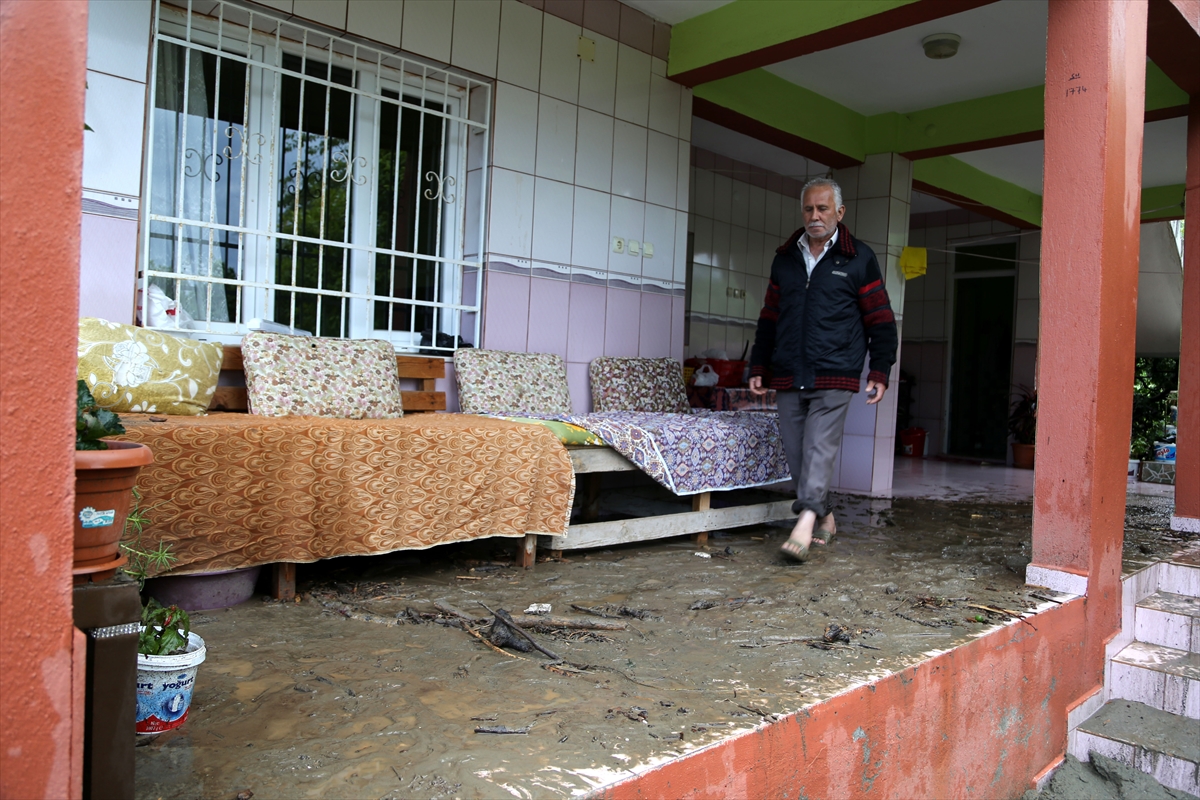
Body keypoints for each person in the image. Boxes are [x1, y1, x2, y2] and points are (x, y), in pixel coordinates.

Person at [748, 177, 898, 562]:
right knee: (798, 454)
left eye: (823, 208)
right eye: (809, 209)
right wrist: (759, 365)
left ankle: (803, 524)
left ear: (839, 212)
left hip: (836, 372)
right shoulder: (785, 259)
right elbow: (769, 317)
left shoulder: (859, 258)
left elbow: (881, 318)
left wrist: (879, 370)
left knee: (819, 446)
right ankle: (826, 517)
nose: (815, 215)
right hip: (788, 373)